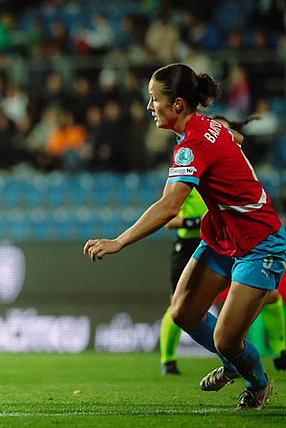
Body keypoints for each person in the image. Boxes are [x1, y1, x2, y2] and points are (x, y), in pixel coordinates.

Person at [84, 63, 284, 409]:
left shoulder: (191, 144)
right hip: (224, 236)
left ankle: (258, 384)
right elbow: (236, 137)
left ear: (178, 105)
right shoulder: (206, 127)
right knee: (183, 312)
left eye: (154, 99)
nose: (149, 107)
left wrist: (118, 241)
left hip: (258, 241)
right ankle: (233, 361)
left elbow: (168, 206)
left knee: (225, 339)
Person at [159, 187, 207, 375]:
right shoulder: (183, 185)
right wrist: (195, 222)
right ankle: (168, 360)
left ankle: (279, 349)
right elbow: (168, 221)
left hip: (214, 242)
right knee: (177, 304)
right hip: (186, 247)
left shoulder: (213, 183)